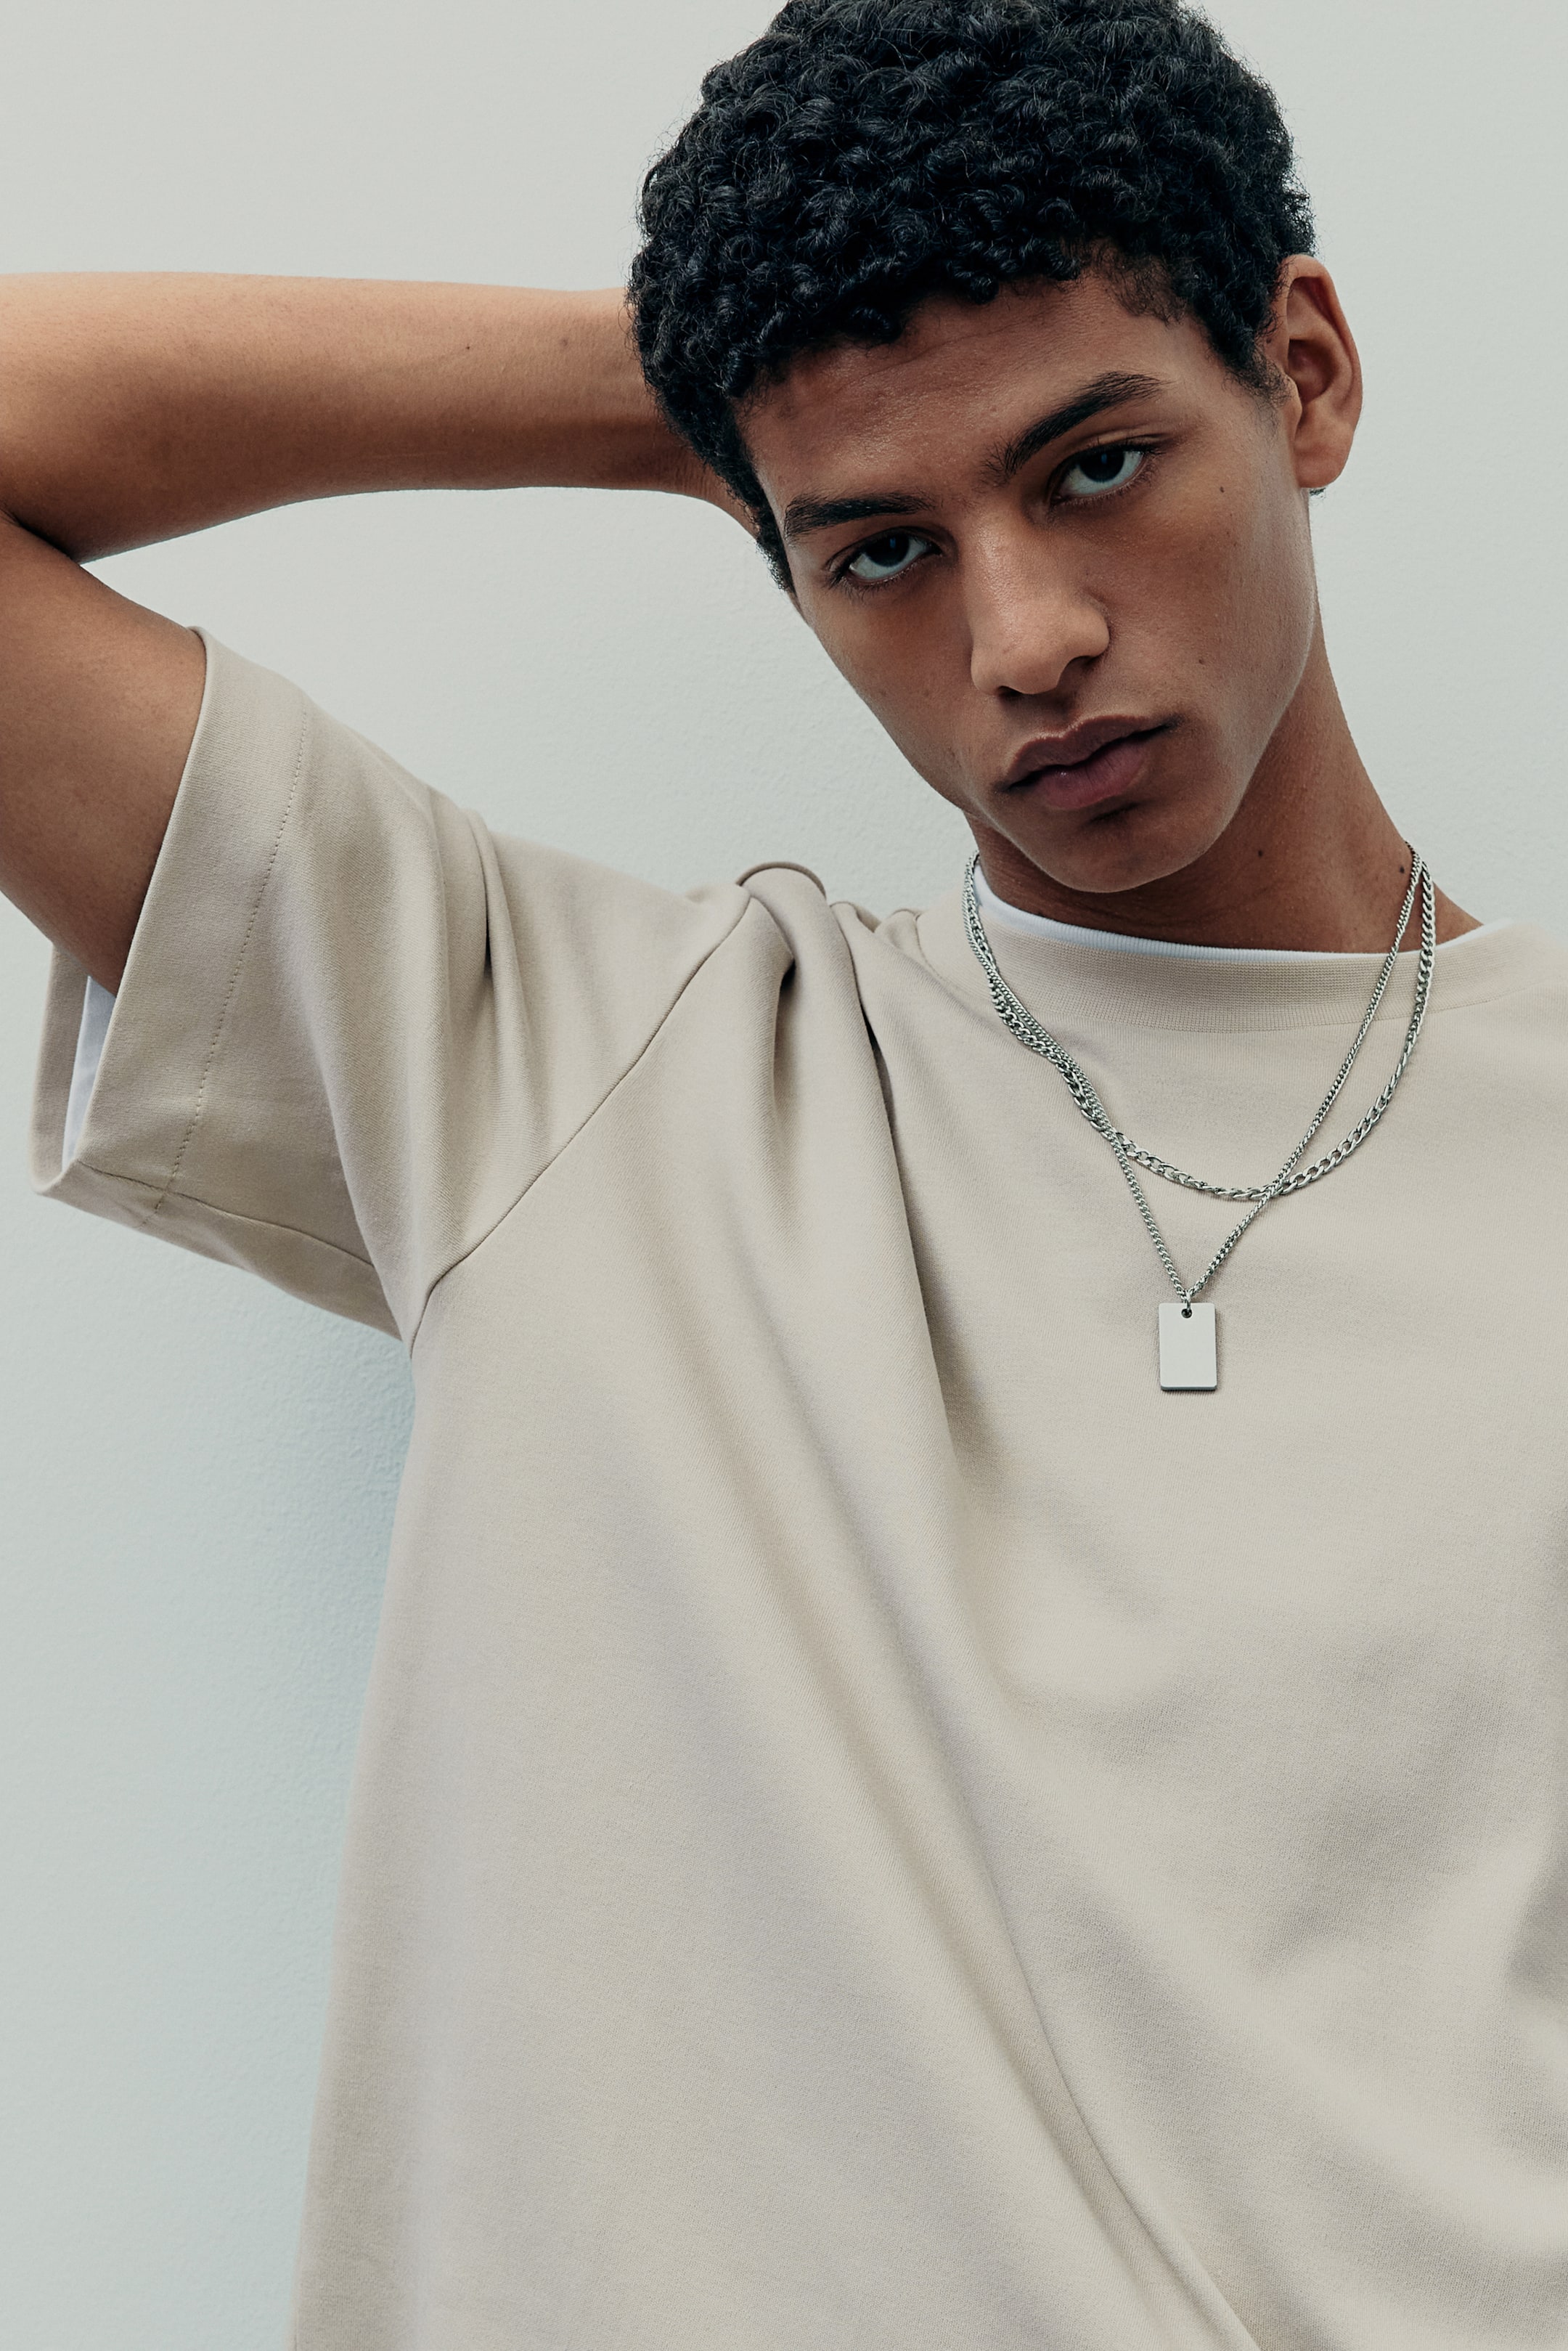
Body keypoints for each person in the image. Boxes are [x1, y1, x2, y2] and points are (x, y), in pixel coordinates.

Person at [3, 0, 1563, 2342]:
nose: (1025, 639)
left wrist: (848, 398)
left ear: (1305, 376)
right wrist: (706, 387)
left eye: (1097, 466)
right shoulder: (581, 1070)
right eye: (882, 548)